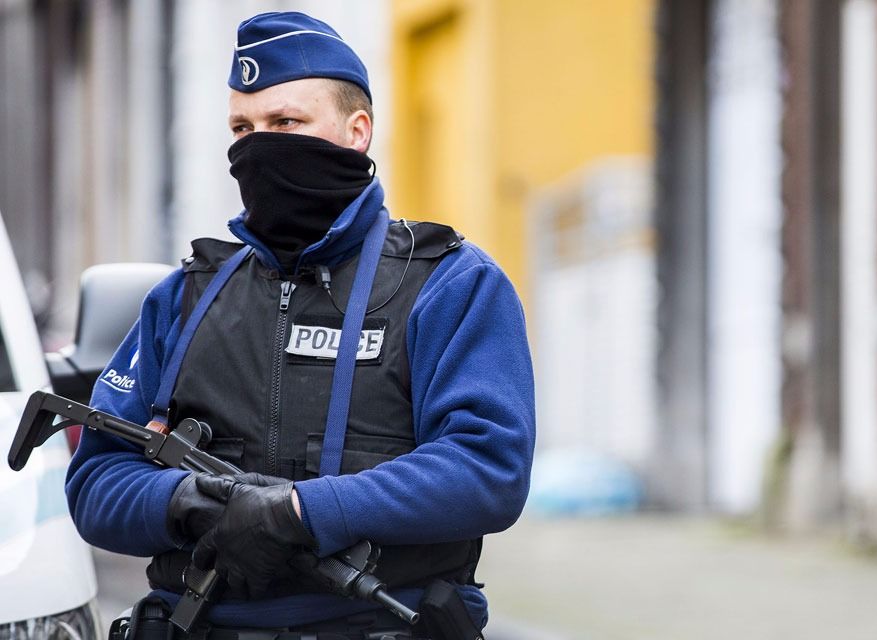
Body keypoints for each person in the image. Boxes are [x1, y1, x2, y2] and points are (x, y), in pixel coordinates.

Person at [65, 11, 535, 639]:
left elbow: (487, 469)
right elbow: (95, 482)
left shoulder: (449, 284)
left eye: (285, 122)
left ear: (357, 131)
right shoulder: (184, 295)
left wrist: (299, 511)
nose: (258, 146)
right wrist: (185, 503)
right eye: (242, 128)